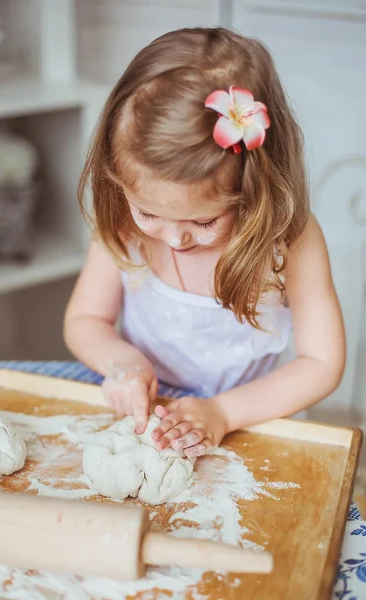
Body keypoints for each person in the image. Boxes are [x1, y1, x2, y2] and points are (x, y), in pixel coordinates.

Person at [64, 27, 345, 458]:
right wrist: (125, 364)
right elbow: (85, 320)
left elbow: (322, 364)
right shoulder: (123, 223)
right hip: (150, 422)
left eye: (203, 220)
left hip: (250, 420)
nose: (175, 238)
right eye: (150, 212)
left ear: (255, 192)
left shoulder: (290, 240)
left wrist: (222, 413)